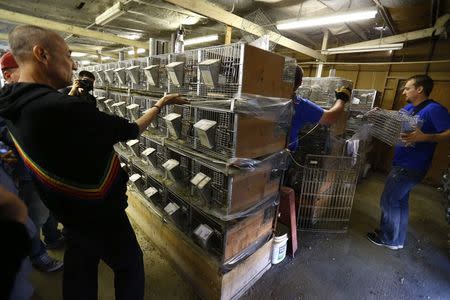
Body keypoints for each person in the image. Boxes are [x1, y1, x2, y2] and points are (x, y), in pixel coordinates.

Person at [0, 25, 187, 300]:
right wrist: (160, 104)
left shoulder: (11, 105)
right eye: (68, 54)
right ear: (41, 54)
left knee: (80, 269)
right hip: (100, 213)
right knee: (130, 264)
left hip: (67, 212)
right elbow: (131, 130)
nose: (74, 64)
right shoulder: (65, 109)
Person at [367, 74, 450, 250]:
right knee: (400, 201)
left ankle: (388, 238)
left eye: (407, 88)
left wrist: (425, 137)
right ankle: (396, 238)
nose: (404, 91)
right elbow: (396, 116)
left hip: (411, 165)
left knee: (389, 201)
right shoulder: (411, 107)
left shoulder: (434, 109)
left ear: (419, 89)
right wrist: (380, 113)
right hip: (402, 162)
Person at [0, 51, 64, 272]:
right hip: (28, 171)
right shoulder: (6, 102)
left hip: (49, 169)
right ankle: (37, 256)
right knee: (33, 217)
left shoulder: (33, 97)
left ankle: (53, 238)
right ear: (8, 75)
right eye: (24, 71)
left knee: (51, 209)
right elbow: (5, 133)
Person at [288, 66, 351, 152]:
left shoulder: (270, 99)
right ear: (300, 83)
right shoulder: (299, 104)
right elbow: (330, 117)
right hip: (283, 154)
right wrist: (341, 99)